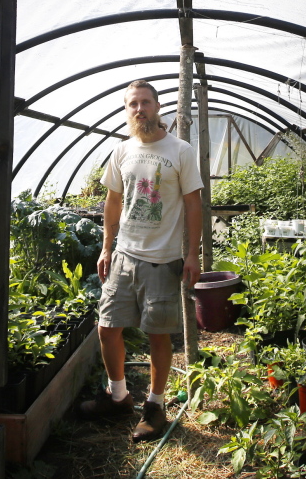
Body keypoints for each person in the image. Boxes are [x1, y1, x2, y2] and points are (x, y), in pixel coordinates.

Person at [78, 79, 203, 441]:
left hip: (163, 260)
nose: (139, 109)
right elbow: (113, 201)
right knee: (107, 328)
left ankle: (155, 406)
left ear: (157, 106)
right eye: (133, 103)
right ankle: (117, 397)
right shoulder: (121, 151)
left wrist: (192, 254)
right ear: (126, 109)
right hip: (123, 257)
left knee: (157, 336)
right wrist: (106, 247)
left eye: (145, 102)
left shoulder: (180, 150)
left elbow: (194, 204)